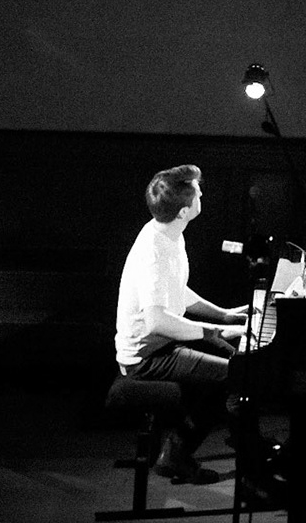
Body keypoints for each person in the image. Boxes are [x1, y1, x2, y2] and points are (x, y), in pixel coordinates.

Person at [114, 165, 250, 483]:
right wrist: (211, 331)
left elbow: (176, 290)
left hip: (163, 343)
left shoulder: (168, 233)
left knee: (238, 360)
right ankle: (177, 455)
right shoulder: (154, 251)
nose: (202, 193)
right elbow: (157, 321)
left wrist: (223, 315)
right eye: (198, 193)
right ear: (184, 211)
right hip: (146, 358)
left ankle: (242, 439)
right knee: (236, 374)